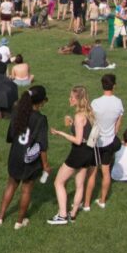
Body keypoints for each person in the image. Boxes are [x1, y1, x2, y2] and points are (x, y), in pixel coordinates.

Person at [0, 85, 50, 230]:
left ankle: (0, 216)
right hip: (30, 158)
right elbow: (42, 145)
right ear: (42, 101)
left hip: (15, 155)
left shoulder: (17, 112)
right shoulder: (41, 119)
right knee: (26, 190)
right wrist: (45, 165)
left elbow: (11, 136)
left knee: (11, 185)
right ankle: (19, 221)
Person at [47, 85, 96, 225]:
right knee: (80, 184)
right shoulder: (89, 112)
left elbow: (78, 140)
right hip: (88, 152)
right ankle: (73, 214)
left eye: (72, 97)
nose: (70, 99)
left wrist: (60, 133)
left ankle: (62, 215)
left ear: (78, 99)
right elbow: (85, 131)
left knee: (58, 182)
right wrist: (73, 123)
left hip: (78, 153)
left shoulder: (79, 115)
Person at [85, 74, 124, 209]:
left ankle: (86, 204)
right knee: (106, 171)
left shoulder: (95, 103)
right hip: (110, 140)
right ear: (114, 85)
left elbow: (90, 121)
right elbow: (118, 124)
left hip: (96, 141)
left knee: (92, 172)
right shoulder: (118, 102)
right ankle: (102, 201)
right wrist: (113, 134)